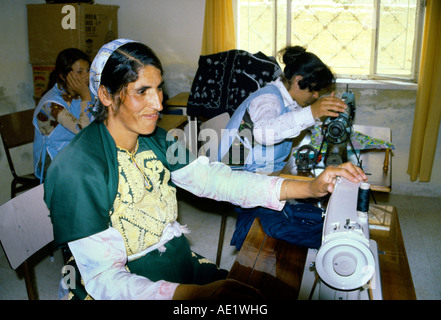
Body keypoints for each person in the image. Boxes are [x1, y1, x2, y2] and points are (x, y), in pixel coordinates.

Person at [43, 39, 367, 300]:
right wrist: (192, 296)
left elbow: (212, 179)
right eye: (143, 91)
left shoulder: (155, 138)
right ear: (105, 94)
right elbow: (105, 281)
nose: (158, 103)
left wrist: (309, 188)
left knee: (260, 296)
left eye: (159, 88)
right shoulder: (78, 170)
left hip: (173, 258)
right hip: (122, 286)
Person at [219, 45, 347, 174]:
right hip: (234, 175)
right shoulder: (268, 100)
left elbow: (291, 119)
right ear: (298, 80)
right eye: (313, 90)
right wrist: (311, 112)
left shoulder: (289, 100)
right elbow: (263, 133)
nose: (316, 96)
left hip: (260, 171)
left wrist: (317, 120)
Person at [33, 48, 93, 182]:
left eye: (88, 70)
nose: (86, 76)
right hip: (55, 160)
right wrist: (86, 97)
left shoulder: (83, 95)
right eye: (79, 72)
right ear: (62, 75)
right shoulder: (51, 104)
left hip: (77, 155)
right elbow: (84, 131)